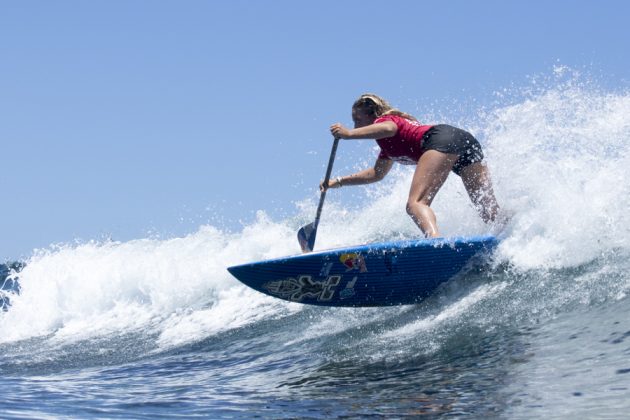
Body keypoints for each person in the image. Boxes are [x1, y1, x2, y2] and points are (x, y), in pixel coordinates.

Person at [321, 93, 501, 238]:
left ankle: (434, 240)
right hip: (464, 141)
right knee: (489, 212)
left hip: (441, 138)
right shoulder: (388, 146)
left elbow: (389, 129)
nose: (355, 124)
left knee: (415, 204)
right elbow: (376, 173)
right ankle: (511, 233)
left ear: (372, 115)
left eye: (357, 119)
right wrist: (338, 181)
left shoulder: (385, 121)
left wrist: (349, 134)